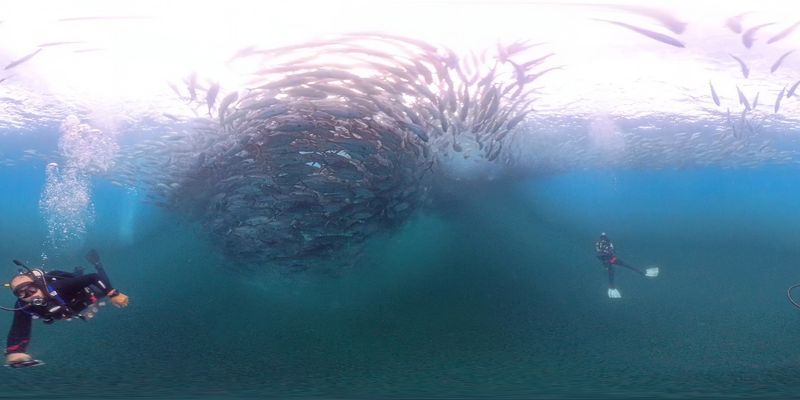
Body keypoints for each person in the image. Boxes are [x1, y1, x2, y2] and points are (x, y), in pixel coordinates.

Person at [3, 249, 129, 367]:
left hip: (85, 295)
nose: (30, 295)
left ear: (39, 285)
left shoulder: (58, 287)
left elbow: (94, 278)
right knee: (76, 279)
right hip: (70, 308)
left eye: (31, 288)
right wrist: (15, 352)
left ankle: (97, 263)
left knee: (99, 289)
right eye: (21, 293)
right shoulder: (22, 305)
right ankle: (77, 273)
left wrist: (113, 294)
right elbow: (19, 327)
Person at [595, 232, 658, 299]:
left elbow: (601, 254)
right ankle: (643, 273)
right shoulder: (605, 243)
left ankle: (643, 273)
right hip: (609, 259)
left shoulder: (601, 243)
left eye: (604, 237)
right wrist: (606, 261)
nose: (604, 239)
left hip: (610, 259)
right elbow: (605, 252)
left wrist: (606, 262)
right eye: (604, 237)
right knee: (618, 269)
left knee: (614, 271)